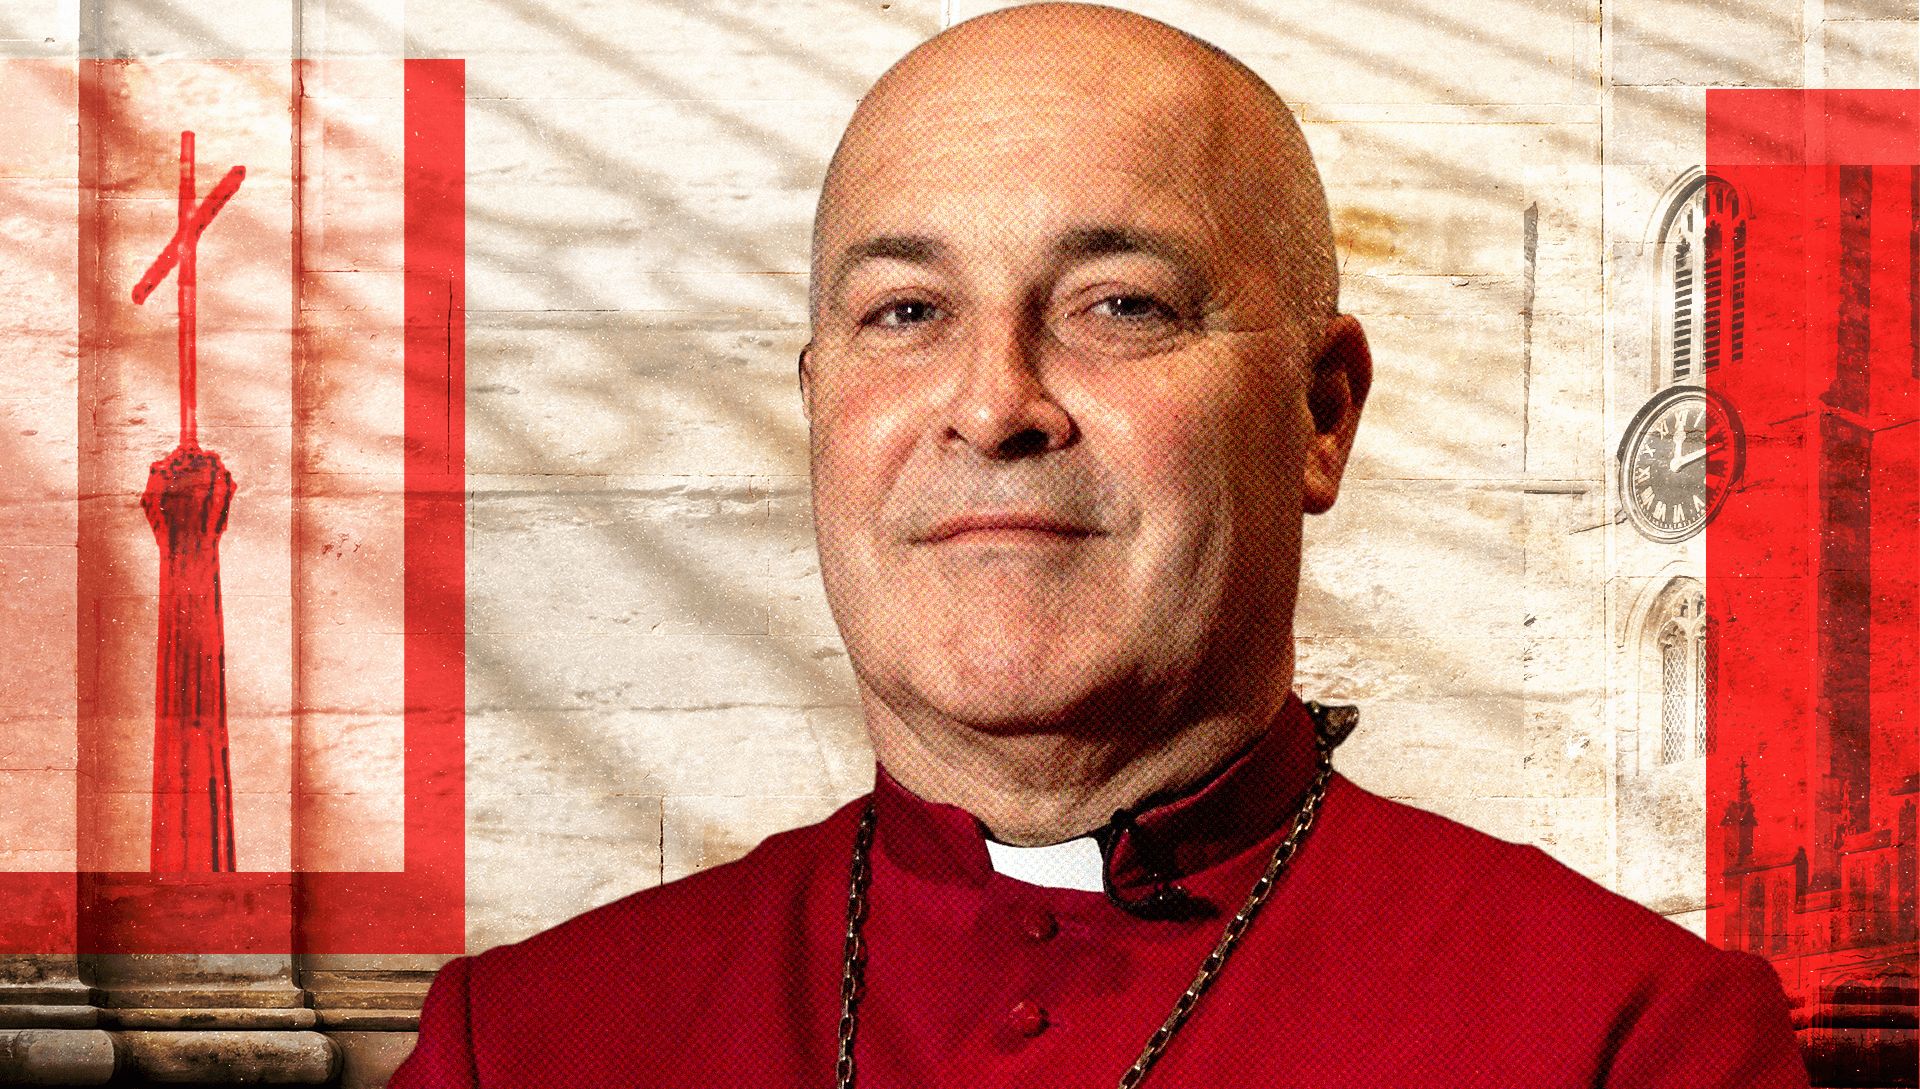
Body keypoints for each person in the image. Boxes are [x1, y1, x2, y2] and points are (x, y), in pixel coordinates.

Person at [389, 5, 1808, 1086]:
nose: (995, 403)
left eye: (1119, 305)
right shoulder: (516, 1048)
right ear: (820, 415)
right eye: (904, 313)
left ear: (1320, 416)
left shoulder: (1622, 1041)